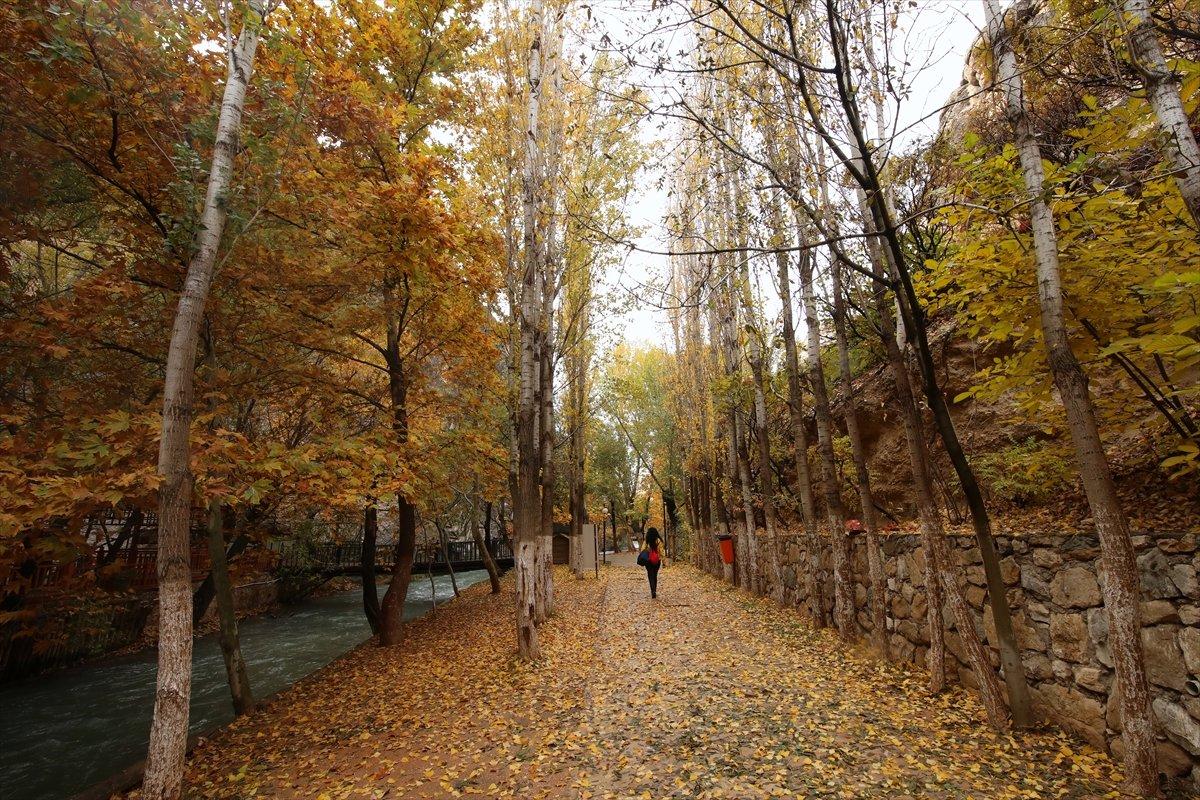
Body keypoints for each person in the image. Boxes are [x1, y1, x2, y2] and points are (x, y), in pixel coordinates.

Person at [640, 527, 664, 599]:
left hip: (648, 561)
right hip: (657, 561)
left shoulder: (647, 541)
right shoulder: (658, 540)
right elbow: (661, 551)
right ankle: (655, 590)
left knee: (650, 575)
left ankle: (652, 591)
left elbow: (642, 549)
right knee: (655, 575)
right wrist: (663, 560)